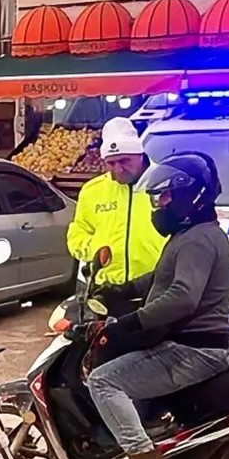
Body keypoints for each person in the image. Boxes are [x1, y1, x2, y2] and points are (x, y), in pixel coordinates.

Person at [85, 151, 229, 459]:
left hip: (191, 349)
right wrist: (124, 290)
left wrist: (129, 324)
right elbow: (161, 276)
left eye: (165, 196)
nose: (159, 204)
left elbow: (183, 297)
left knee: (103, 381)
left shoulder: (197, 240)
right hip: (192, 343)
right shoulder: (192, 234)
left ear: (189, 196)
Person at [67, 116, 167, 316]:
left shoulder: (164, 184)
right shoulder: (92, 191)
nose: (118, 169)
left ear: (140, 154)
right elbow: (77, 232)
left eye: (125, 161)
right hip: (108, 294)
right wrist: (94, 250)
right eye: (111, 163)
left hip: (156, 289)